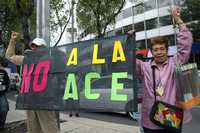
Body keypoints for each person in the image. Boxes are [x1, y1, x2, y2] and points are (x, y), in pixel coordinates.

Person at [131, 7, 193, 133]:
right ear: (151, 52)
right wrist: (129, 41)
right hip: (150, 120)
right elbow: (128, 60)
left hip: (172, 117)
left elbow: (186, 44)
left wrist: (178, 19)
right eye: (156, 50)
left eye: (162, 49)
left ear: (167, 50)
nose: (159, 52)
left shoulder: (175, 62)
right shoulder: (144, 66)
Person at [5, 32, 60, 133]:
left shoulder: (50, 60)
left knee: (50, 129)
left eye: (37, 46)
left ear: (44, 48)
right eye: (33, 46)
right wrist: (12, 40)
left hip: (45, 102)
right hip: (30, 101)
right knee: (33, 129)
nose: (34, 48)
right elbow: (9, 56)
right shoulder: (26, 60)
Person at [0, 58, 10, 131]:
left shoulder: (3, 72)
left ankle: (1, 126)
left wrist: (5, 87)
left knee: (4, 109)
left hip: (1, 94)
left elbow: (7, 82)